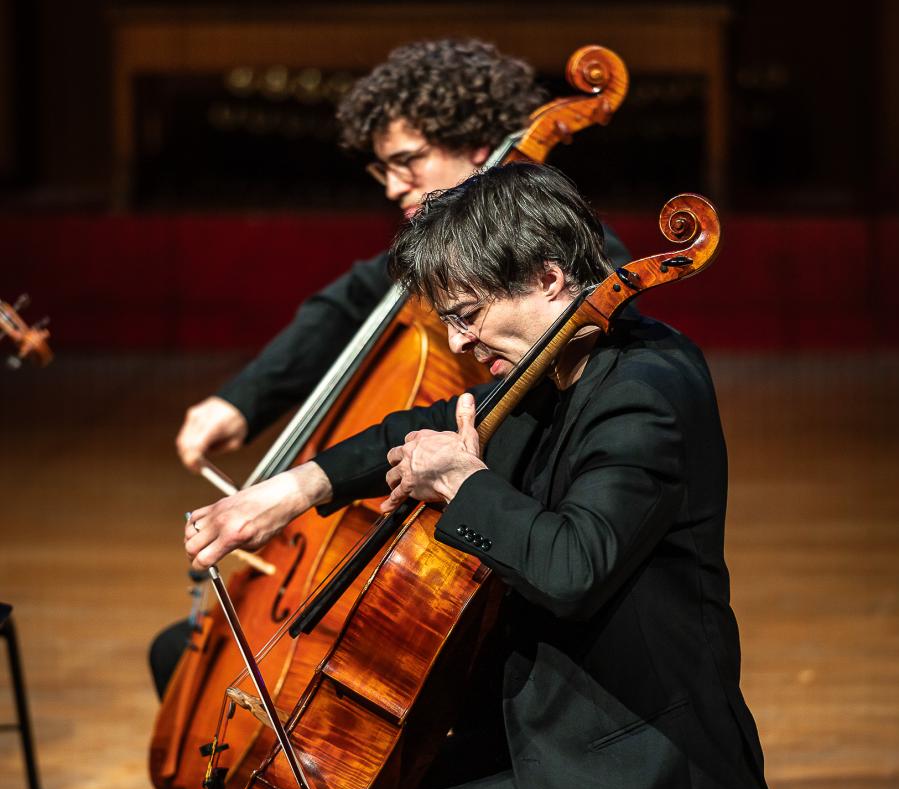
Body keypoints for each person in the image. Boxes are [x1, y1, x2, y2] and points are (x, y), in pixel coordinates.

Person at [184, 162, 788, 789]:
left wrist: (462, 483)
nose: (458, 345)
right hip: (564, 729)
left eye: (467, 315)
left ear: (550, 278)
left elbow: (571, 566)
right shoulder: (562, 361)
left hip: (643, 771)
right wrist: (290, 491)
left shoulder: (645, 390)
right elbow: (417, 429)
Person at [151, 37, 626, 697]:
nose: (396, 186)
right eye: (383, 171)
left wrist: (305, 489)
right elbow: (345, 301)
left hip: (511, 566)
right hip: (444, 532)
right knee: (181, 657)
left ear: (480, 147)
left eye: (408, 162)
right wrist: (241, 401)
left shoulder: (572, 271)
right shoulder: (440, 252)